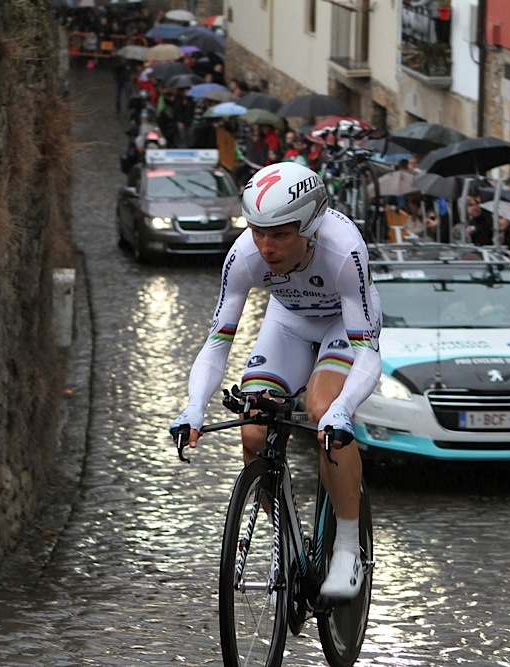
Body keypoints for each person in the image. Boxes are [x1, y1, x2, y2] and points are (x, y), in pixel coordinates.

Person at [170, 162, 382, 601]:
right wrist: (193, 407)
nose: (266, 246)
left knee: (324, 411)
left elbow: (367, 351)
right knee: (253, 430)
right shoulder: (244, 254)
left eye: (281, 234)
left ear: (310, 226)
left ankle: (347, 547)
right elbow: (217, 342)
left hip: (343, 327)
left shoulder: (345, 251)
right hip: (287, 322)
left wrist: (343, 411)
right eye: (258, 231)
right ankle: (282, 539)